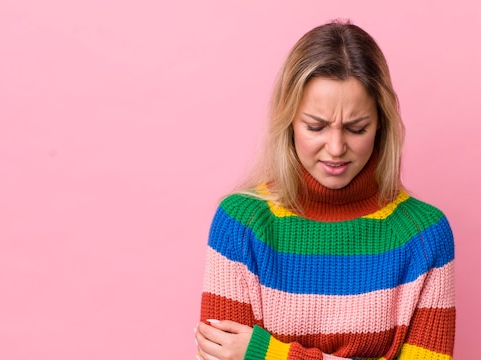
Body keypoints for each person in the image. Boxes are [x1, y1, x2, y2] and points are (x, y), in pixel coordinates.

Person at [195, 20, 455, 360]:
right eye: (316, 126)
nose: (335, 147)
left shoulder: (425, 235)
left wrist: (267, 354)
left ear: (381, 125)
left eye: (356, 128)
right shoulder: (241, 225)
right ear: (288, 120)